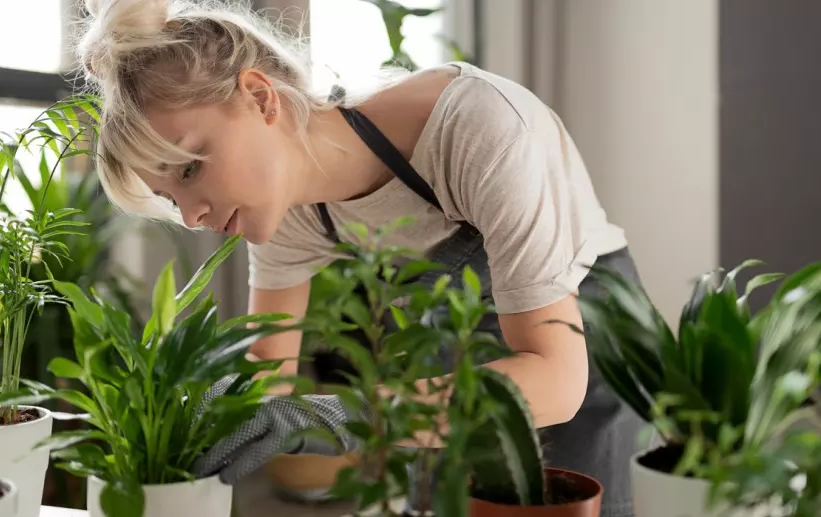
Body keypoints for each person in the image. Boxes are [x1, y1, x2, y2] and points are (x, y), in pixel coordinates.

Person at [75, 1, 647, 516]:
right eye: (172, 198)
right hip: (453, 336)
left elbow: (555, 378)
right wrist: (196, 418)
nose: (194, 216)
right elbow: (269, 374)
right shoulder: (286, 213)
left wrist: (335, 414)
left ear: (259, 96)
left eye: (192, 167)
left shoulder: (478, 129)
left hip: (575, 338)